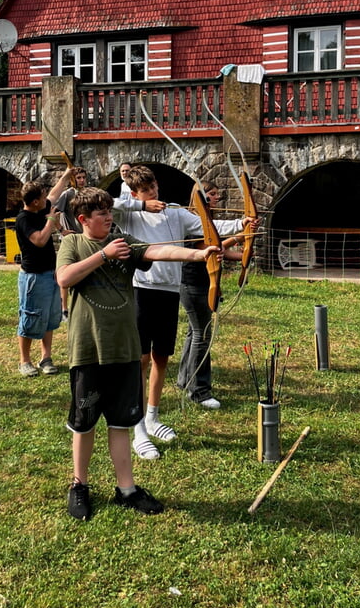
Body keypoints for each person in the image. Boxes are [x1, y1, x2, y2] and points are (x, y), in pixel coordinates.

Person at [56, 187, 222, 519]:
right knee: (84, 423)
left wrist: (199, 255)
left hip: (124, 348)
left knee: (121, 422)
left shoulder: (124, 243)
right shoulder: (72, 244)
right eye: (101, 213)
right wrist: (104, 255)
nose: (108, 217)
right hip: (88, 349)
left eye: (109, 211)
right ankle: (79, 485)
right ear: (83, 219)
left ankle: (127, 489)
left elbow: (159, 251)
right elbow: (64, 277)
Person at [112, 165, 248, 460]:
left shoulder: (174, 212)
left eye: (153, 187)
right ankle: (138, 428)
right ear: (134, 193)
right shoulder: (129, 214)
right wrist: (141, 206)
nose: (153, 193)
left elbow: (208, 225)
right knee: (141, 360)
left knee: (161, 357)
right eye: (145, 191)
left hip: (169, 291)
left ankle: (152, 417)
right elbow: (104, 203)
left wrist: (242, 223)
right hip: (141, 290)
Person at [177, 182, 243, 409]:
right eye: (212, 194)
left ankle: (185, 380)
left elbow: (219, 249)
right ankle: (199, 391)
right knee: (202, 335)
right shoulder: (194, 222)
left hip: (200, 283)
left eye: (217, 193)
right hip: (193, 284)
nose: (217, 197)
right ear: (201, 197)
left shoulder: (205, 220)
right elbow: (211, 247)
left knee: (194, 333)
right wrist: (239, 237)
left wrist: (244, 254)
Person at [15, 168, 73, 377]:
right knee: (30, 317)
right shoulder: (23, 219)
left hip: (50, 272)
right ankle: (24, 361)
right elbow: (39, 240)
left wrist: (66, 175)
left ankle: (45, 358)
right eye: (42, 197)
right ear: (34, 202)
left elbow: (55, 194)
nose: (46, 199)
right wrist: (51, 221)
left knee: (49, 317)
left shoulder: (41, 207)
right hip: (33, 277)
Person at [54, 166, 88, 320]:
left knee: (84, 272)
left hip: (85, 238)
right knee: (65, 273)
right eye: (78, 178)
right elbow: (53, 211)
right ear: (73, 179)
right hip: (70, 239)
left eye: (83, 177)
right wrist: (61, 230)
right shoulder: (67, 194)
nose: (81, 180)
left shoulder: (87, 193)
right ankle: (64, 309)